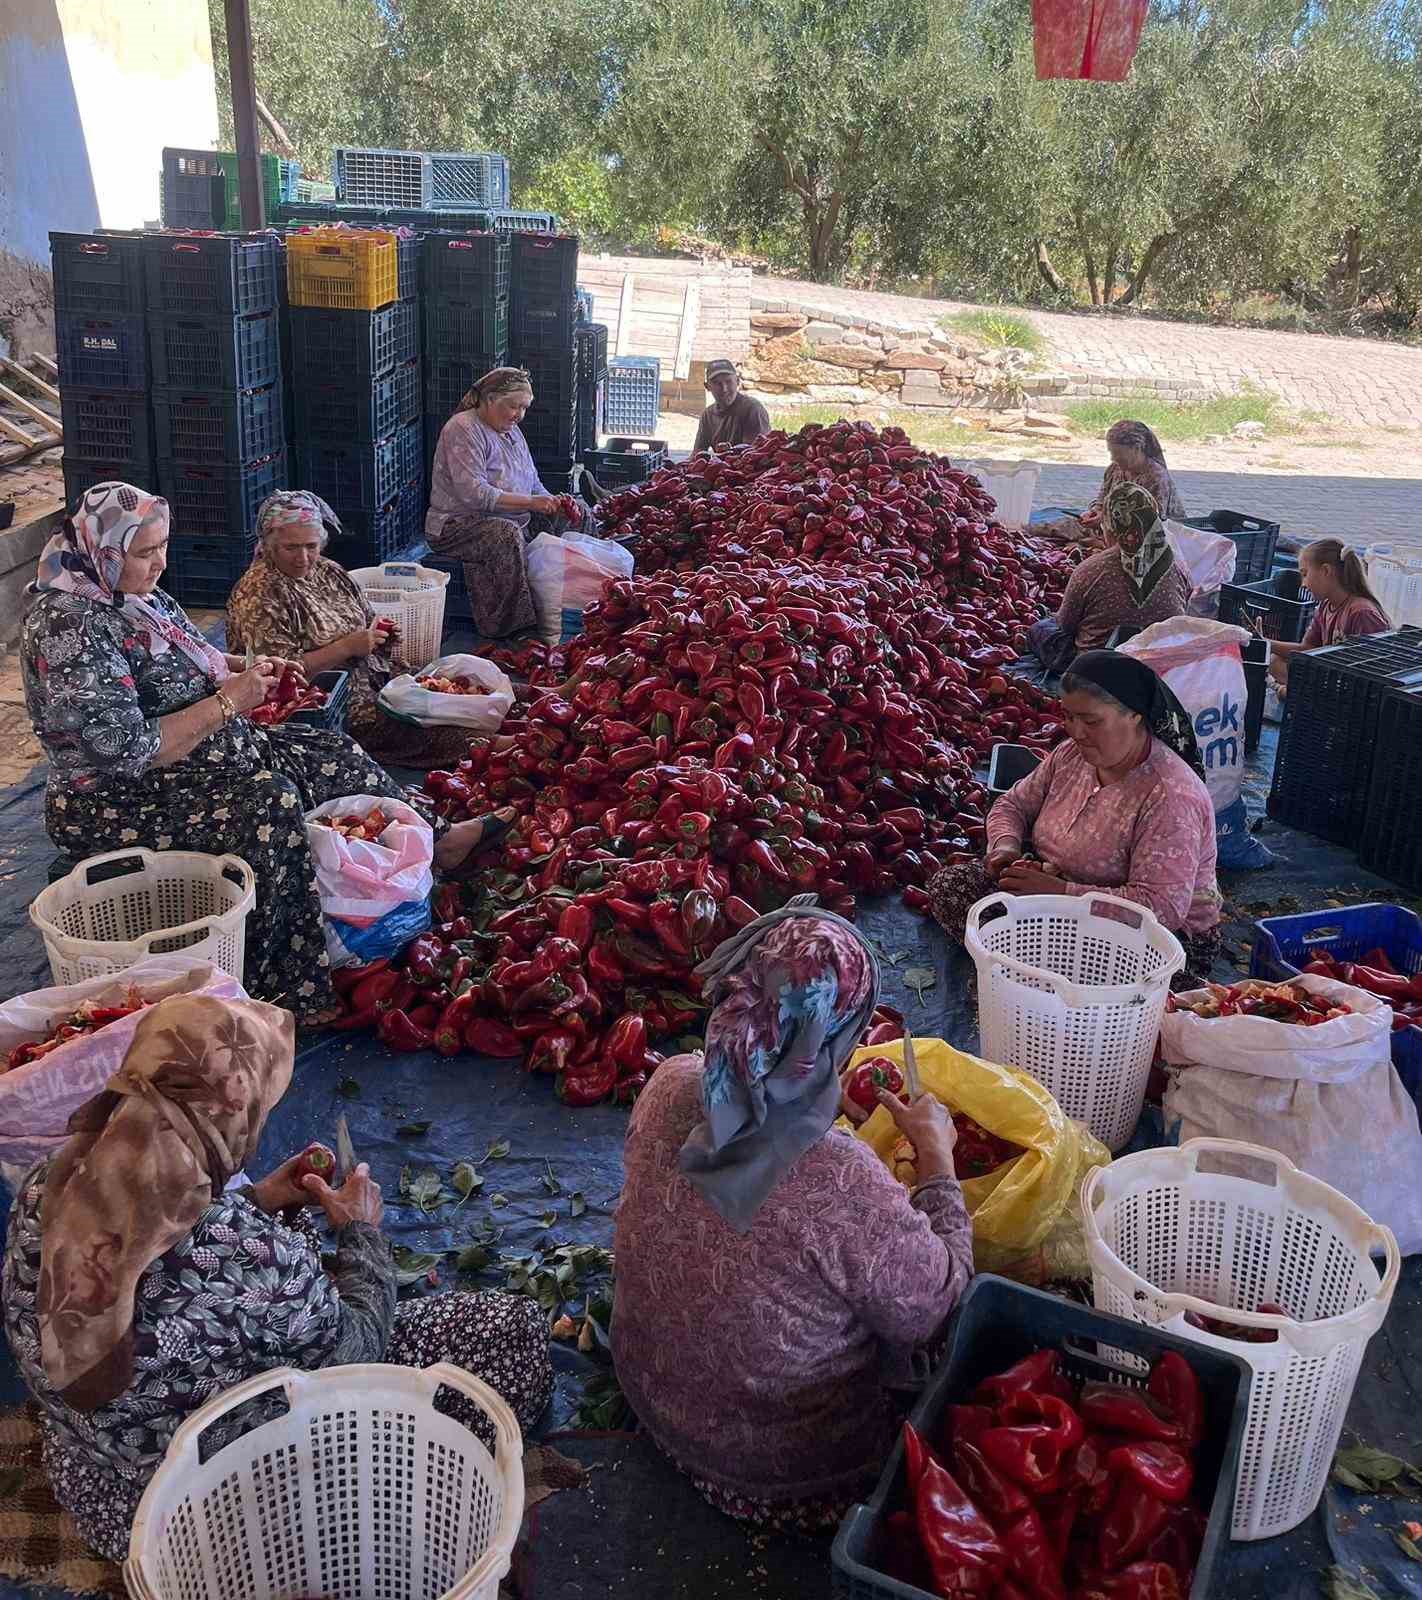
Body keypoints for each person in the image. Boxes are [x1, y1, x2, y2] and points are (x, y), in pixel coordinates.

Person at [1, 993, 553, 1562]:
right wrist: (362, 1233)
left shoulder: (48, 1184)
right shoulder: (252, 1257)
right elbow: (356, 1348)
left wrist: (259, 1198)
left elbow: (152, 1245)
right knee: (508, 1333)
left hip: (115, 1497)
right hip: (234, 1519)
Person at [21, 483, 509, 1023]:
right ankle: (288, 988)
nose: (161, 563)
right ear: (102, 550)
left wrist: (247, 667)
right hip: (122, 796)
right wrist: (230, 701)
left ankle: (441, 840)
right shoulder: (70, 626)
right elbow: (124, 750)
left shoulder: (132, 595)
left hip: (204, 755)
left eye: (163, 546)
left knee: (329, 749)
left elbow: (193, 658)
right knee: (269, 803)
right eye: (145, 552)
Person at [613, 904, 973, 1531]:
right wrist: (937, 1160)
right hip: (784, 1477)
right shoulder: (839, 1177)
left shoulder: (670, 1083)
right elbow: (937, 1309)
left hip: (650, 1400)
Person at [927, 651, 1221, 989]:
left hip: (1147, 936)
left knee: (1105, 971)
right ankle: (1034, 974)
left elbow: (1162, 910)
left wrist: (1063, 894)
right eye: (1068, 716)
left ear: (1135, 716)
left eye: (1091, 721)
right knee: (951, 887)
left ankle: (1031, 975)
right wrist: (1005, 848)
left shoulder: (1169, 796)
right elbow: (1013, 804)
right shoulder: (1071, 755)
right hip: (1053, 897)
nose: (1076, 731)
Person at [226, 491, 468, 769]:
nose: (303, 558)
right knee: (457, 736)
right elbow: (277, 680)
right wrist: (346, 648)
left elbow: (366, 619)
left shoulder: (328, 571)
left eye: (311, 546)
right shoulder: (259, 593)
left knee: (459, 700)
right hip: (333, 707)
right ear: (269, 545)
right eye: (290, 548)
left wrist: (380, 637)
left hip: (379, 679)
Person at [425, 367, 591, 639]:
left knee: (577, 512)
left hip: (513, 516)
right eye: (514, 406)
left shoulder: (512, 431)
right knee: (505, 534)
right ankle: (516, 628)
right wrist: (531, 503)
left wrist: (552, 501)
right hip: (457, 525)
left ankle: (577, 603)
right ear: (489, 399)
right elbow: (474, 494)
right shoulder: (463, 428)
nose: (519, 415)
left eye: (524, 408)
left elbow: (532, 481)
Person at [1026, 482, 1191, 673]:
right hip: (1158, 667)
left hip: (1097, 671)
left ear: (1111, 528)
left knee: (1041, 630)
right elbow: (1181, 614)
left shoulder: (1091, 569)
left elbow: (1066, 626)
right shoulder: (1178, 566)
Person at [1265, 537, 1392, 690]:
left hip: (1348, 688)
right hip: (1329, 678)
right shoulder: (1325, 606)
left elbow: (1370, 674)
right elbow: (1309, 648)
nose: (1303, 584)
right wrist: (1265, 642)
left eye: (1305, 574)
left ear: (1326, 571)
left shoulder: (1362, 613)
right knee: (1275, 661)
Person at [1039, 419, 1185, 546]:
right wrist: (1095, 512)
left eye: (1118, 453)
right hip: (1110, 528)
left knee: (1104, 554)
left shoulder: (1156, 477)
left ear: (1137, 448)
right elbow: (1102, 499)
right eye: (1111, 452)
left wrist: (1105, 521)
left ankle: (1100, 544)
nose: (1113, 458)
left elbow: (1150, 524)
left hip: (1145, 538)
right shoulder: (1115, 469)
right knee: (1061, 527)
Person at [692, 359, 771, 455]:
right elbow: (697, 454)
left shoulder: (752, 409)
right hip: (725, 463)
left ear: (737, 381)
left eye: (728, 381)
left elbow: (755, 455)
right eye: (717, 383)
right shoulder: (707, 415)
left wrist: (725, 454)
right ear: (707, 386)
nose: (724, 389)